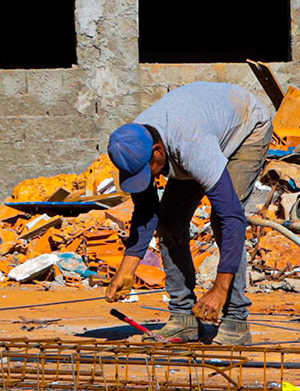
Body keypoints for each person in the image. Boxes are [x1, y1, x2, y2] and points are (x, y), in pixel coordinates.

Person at [105, 80, 274, 345]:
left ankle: (236, 319)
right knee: (170, 222)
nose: (147, 178)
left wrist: (218, 290)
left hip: (246, 129)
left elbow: (232, 219)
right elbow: (147, 209)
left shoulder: (191, 145)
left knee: (221, 220)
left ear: (158, 151)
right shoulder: (133, 146)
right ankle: (184, 317)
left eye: (148, 169)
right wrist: (127, 267)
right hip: (204, 128)